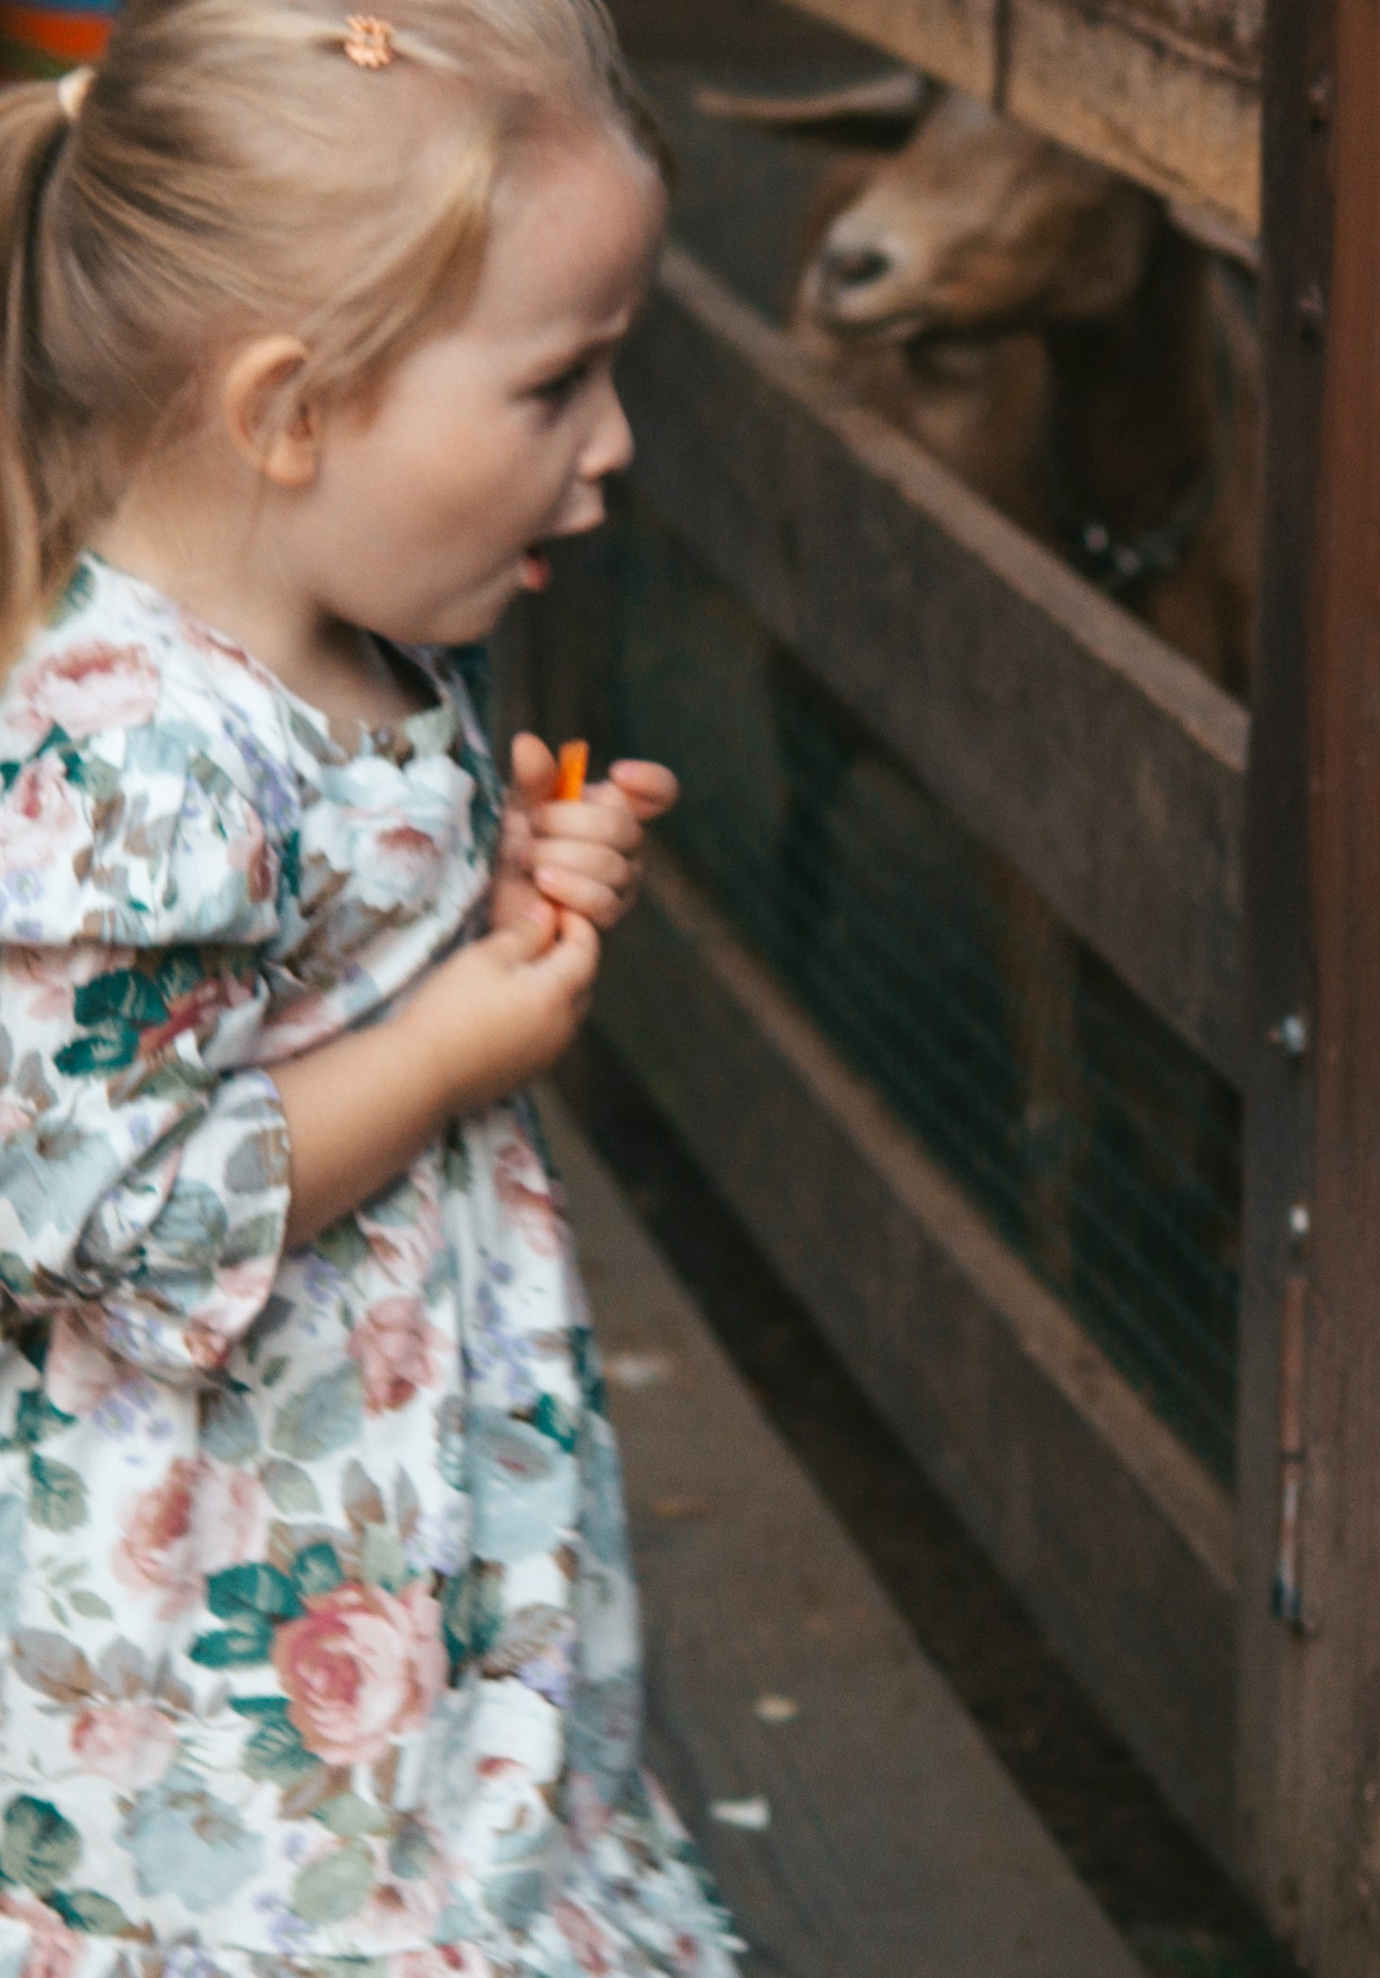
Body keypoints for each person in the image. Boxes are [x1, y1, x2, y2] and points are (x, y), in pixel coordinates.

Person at [0, 4, 739, 1971]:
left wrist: (485, 904)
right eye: (556, 382)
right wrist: (446, 1044)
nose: (613, 443)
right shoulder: (134, 758)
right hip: (213, 1583)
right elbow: (91, 1211)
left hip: (383, 1497)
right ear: (290, 412)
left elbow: (301, 962)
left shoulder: (346, 646)